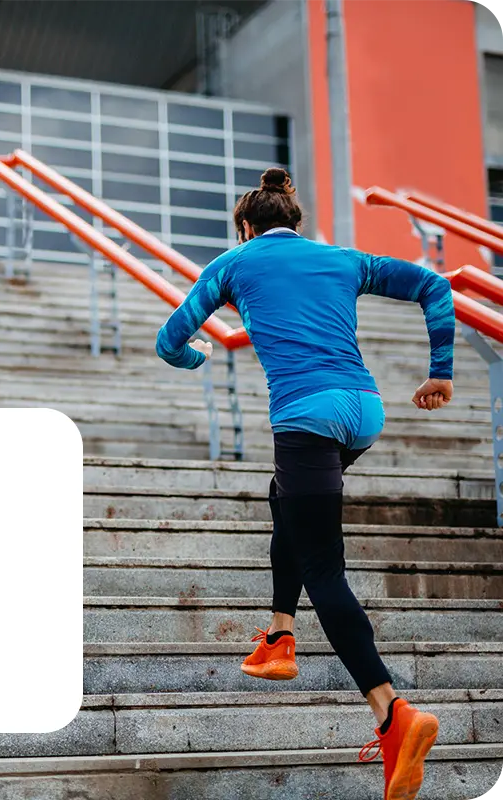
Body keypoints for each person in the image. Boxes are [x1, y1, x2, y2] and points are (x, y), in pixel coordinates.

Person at [155, 168, 455, 800]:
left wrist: (198, 357)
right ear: (294, 220)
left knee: (324, 569)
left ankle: (392, 712)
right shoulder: (343, 258)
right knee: (282, 497)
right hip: (363, 410)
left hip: (307, 416)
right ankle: (279, 636)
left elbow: (169, 340)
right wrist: (441, 372)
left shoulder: (234, 265)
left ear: (246, 227)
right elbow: (432, 285)